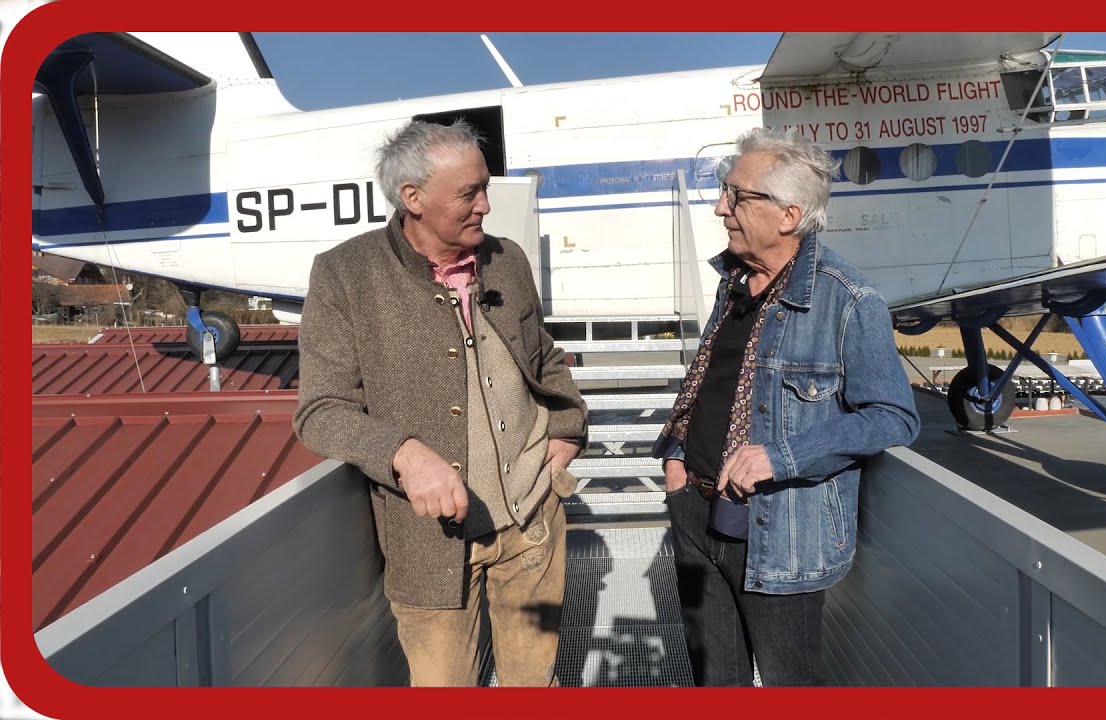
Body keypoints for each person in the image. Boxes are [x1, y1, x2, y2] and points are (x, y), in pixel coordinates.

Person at [293, 119, 587, 687]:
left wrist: (567, 428)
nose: (485, 205)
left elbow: (544, 356)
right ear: (413, 199)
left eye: (486, 188)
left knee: (535, 685)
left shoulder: (509, 261)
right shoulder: (346, 274)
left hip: (534, 523)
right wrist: (403, 452)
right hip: (431, 545)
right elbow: (320, 410)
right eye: (469, 193)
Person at [653, 127, 920, 687]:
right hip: (696, 512)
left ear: (788, 215)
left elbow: (894, 415)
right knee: (714, 680)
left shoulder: (848, 300)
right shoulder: (735, 281)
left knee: (787, 682)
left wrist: (782, 456)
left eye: (737, 196)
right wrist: (677, 455)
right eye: (725, 191)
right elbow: (710, 381)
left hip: (778, 532)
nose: (721, 207)